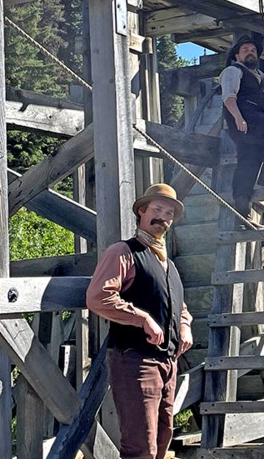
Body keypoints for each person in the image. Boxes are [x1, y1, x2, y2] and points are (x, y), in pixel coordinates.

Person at [86, 183, 193, 459]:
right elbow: (98, 296)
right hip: (135, 360)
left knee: (163, 436)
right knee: (140, 447)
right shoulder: (123, 252)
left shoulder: (168, 264)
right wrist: (142, 318)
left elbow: (178, 305)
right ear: (142, 211)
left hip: (167, 362)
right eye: (157, 210)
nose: (163, 218)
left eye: (169, 213)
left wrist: (184, 325)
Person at [219, 36, 264, 216]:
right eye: (245, 50)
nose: (250, 53)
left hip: (252, 122)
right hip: (246, 119)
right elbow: (229, 96)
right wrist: (238, 118)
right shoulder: (233, 70)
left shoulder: (257, 74)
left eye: (253, 51)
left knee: (248, 162)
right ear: (237, 55)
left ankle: (241, 216)